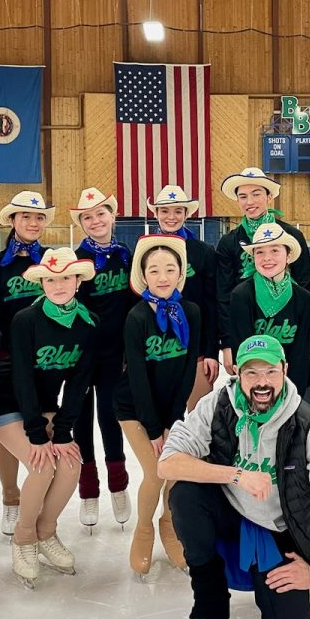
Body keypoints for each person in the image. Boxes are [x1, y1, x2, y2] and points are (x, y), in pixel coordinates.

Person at [162, 335, 310, 619]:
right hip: (228, 512)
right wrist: (236, 475)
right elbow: (168, 464)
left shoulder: (307, 426)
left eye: (270, 371)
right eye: (251, 373)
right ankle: (209, 604)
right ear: (237, 374)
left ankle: (264, 581)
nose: (262, 382)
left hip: (279, 532)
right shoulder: (218, 405)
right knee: (185, 495)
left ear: (285, 370)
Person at [0, 247, 97, 588]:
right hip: (5, 400)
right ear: (41, 283)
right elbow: (21, 376)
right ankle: (24, 539)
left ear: (77, 281)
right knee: (41, 463)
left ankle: (46, 533)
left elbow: (79, 381)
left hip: (43, 402)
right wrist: (37, 432)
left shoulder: (88, 323)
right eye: (50, 279)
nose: (58, 285)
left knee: (71, 463)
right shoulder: (26, 320)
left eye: (65, 278)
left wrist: (62, 431)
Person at [114, 235, 200, 576]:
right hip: (135, 407)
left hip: (170, 410)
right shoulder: (136, 317)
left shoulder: (191, 312)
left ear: (180, 273)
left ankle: (170, 525)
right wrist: (154, 428)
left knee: (174, 470)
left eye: (169, 269)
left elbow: (187, 369)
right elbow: (137, 377)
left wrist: (172, 421)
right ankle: (145, 528)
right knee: (155, 471)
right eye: (154, 270)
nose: (162, 277)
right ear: (143, 276)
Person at [0, 190, 53, 537]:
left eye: (38, 217)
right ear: (12, 220)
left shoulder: (54, 260)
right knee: (10, 432)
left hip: (47, 360)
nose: (33, 222)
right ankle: (11, 497)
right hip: (9, 361)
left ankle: (37, 505)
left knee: (42, 430)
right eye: (25, 216)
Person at [70, 187, 135, 530]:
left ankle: (118, 485)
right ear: (81, 223)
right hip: (82, 356)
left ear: (113, 216)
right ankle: (89, 490)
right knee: (81, 421)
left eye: (101, 213)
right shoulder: (76, 260)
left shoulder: (125, 255)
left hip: (114, 355)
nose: (96, 221)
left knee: (111, 418)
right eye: (87, 217)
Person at [216, 167, 310, 375]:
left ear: (269, 197)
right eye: (243, 196)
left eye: (256, 194)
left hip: (286, 327)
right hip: (246, 327)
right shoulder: (228, 242)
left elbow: (304, 283)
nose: (249, 202)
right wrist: (227, 343)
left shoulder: (292, 235)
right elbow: (223, 296)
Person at [147, 184, 219, 410]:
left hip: (196, 349)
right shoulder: (145, 250)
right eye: (165, 211)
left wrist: (211, 352)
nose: (171, 217)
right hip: (159, 348)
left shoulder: (202, 251)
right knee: (165, 419)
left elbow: (211, 304)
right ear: (155, 213)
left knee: (200, 420)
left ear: (187, 214)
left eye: (178, 211)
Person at [229, 221, 310, 398]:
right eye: (260, 252)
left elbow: (300, 354)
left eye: (275, 250)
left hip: (291, 386)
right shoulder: (241, 295)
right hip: (255, 389)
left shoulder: (303, 298)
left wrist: (292, 397)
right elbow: (244, 352)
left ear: (288, 255)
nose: (267, 258)